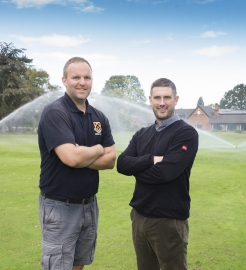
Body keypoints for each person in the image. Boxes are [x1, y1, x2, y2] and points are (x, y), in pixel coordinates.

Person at [38, 57, 116, 270]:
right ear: (64, 80)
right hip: (59, 206)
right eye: (76, 77)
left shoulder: (98, 117)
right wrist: (98, 149)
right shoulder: (56, 112)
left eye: (87, 77)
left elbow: (111, 160)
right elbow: (70, 158)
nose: (82, 82)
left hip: (89, 204)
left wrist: (81, 155)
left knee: (79, 264)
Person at [117, 78, 198, 270]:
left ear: (176, 99)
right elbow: (121, 164)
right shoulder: (142, 134)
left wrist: (136, 169)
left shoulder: (186, 133)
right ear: (150, 100)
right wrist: (151, 159)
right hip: (139, 216)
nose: (162, 102)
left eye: (167, 97)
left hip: (169, 220)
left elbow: (165, 174)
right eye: (157, 97)